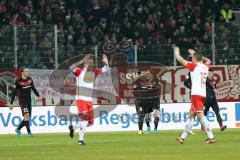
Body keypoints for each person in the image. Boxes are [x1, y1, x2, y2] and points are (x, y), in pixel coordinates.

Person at [174, 47, 215, 144]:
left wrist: (176, 53)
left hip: (196, 94)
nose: (191, 59)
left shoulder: (194, 66)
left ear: (195, 59)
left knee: (200, 115)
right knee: (192, 115)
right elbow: (208, 60)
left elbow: (181, 60)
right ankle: (182, 137)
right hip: (202, 93)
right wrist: (196, 54)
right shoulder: (205, 66)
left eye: (192, 57)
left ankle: (211, 136)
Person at [68, 54, 110, 145]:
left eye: (91, 64)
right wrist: (80, 61)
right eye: (88, 63)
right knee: (85, 119)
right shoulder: (79, 71)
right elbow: (71, 67)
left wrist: (106, 63)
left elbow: (106, 69)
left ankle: (73, 127)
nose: (90, 65)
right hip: (81, 99)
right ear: (85, 64)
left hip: (89, 101)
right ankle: (80, 140)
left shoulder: (94, 72)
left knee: (90, 123)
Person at [8, 66, 40, 137]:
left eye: (27, 71)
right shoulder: (18, 81)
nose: (27, 72)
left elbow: (33, 88)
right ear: (22, 72)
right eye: (26, 71)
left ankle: (18, 129)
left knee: (28, 118)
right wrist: (11, 103)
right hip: (22, 100)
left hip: (29, 100)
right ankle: (29, 133)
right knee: (26, 115)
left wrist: (38, 96)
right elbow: (14, 92)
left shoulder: (30, 80)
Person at [133, 70, 161, 135]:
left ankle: (155, 129)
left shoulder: (154, 80)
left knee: (155, 114)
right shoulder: (140, 82)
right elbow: (136, 89)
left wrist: (152, 87)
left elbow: (158, 87)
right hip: (146, 100)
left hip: (155, 99)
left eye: (148, 73)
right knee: (147, 116)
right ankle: (148, 127)